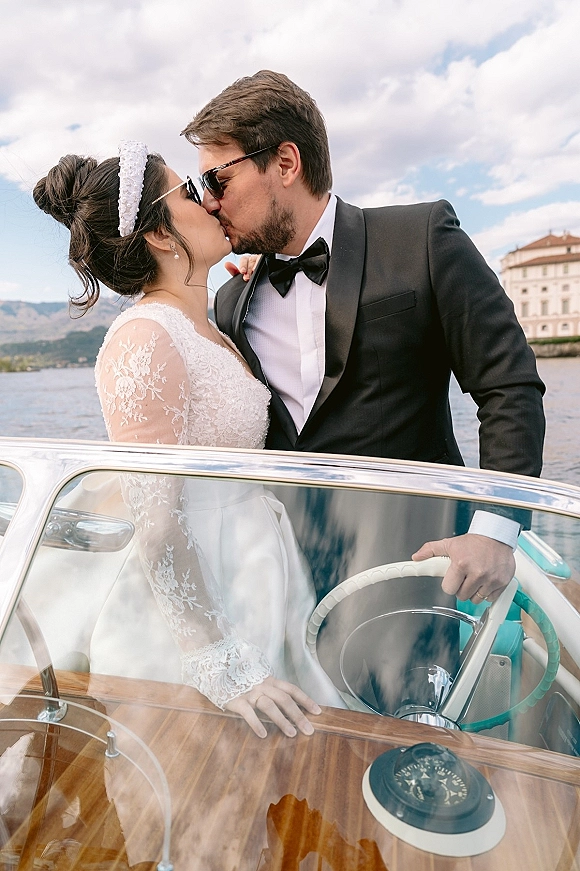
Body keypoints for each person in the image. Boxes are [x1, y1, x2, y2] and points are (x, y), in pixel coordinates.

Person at [182, 70, 546, 605]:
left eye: (217, 180)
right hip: (280, 577)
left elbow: (508, 385)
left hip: (420, 567)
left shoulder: (421, 238)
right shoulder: (232, 301)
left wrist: (495, 529)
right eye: (197, 188)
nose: (209, 202)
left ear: (286, 163)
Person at [33, 143, 345, 738]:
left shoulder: (214, 330)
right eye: (187, 193)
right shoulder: (144, 338)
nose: (208, 201)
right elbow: (156, 523)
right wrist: (220, 663)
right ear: (157, 234)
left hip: (257, 566)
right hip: (198, 599)